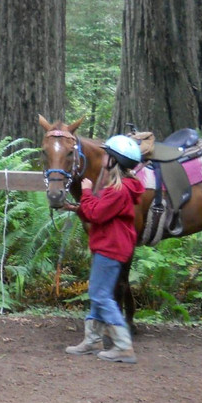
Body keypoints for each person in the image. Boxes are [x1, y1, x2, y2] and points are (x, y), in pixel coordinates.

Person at [63, 134, 145, 364]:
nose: (104, 157)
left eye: (108, 154)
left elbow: (96, 214)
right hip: (109, 245)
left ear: (114, 161)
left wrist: (86, 191)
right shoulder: (119, 187)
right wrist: (75, 207)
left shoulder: (119, 190)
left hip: (111, 248)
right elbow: (99, 211)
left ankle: (123, 345)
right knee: (99, 293)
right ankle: (93, 340)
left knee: (100, 295)